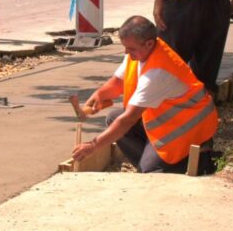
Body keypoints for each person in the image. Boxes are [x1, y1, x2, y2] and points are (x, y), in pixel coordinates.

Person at [72, 16, 218, 173]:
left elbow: (128, 119)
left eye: (131, 49)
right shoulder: (140, 53)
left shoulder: (157, 73)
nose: (126, 52)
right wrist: (99, 95)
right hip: (166, 123)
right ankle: (153, 164)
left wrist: (93, 146)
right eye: (125, 47)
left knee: (149, 169)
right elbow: (118, 83)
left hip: (189, 130)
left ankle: (189, 162)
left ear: (149, 43)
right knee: (113, 118)